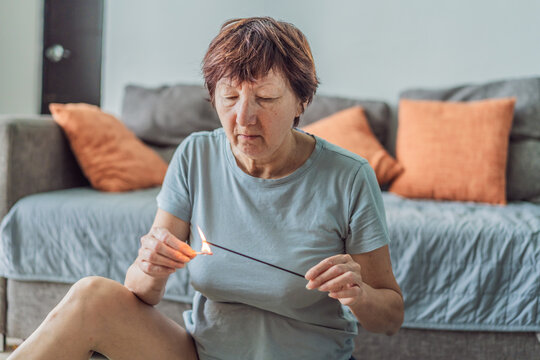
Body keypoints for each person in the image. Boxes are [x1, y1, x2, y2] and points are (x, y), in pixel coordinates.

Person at [10, 16, 403, 360]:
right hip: (202, 354)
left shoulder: (349, 176)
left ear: (302, 101)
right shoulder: (195, 154)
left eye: (265, 98)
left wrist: (361, 295)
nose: (243, 117)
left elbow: (389, 317)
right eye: (229, 97)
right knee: (91, 296)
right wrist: (149, 267)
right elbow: (142, 291)